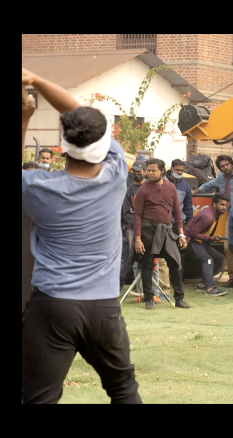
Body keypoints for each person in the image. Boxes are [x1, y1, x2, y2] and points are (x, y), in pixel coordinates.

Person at [21, 68, 141, 403]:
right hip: (103, 308)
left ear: (62, 147)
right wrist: (39, 80)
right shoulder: (117, 172)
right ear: (104, 144)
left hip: (52, 307)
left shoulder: (37, 188)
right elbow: (77, 113)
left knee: (38, 397)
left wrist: (25, 117)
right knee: (123, 390)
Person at [133, 158, 190, 310]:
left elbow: (177, 212)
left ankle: (179, 299)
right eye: (148, 170)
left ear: (162, 171)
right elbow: (137, 215)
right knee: (147, 266)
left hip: (166, 231)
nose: (149, 173)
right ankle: (149, 299)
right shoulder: (143, 189)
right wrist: (138, 239)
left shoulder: (171, 187)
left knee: (175, 265)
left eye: (153, 170)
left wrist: (181, 235)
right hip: (148, 231)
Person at [193, 154, 233, 288]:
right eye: (222, 166)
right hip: (230, 217)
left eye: (227, 164)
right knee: (228, 247)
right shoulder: (221, 178)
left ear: (231, 164)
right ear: (219, 169)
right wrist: (192, 194)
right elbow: (206, 186)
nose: (225, 167)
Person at [122, 161, 161, 300]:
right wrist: (136, 224)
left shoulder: (151, 187)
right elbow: (126, 212)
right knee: (136, 261)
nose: (138, 174)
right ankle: (139, 292)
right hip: (134, 230)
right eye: (135, 172)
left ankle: (154, 293)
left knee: (153, 261)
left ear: (145, 171)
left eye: (140, 171)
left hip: (151, 229)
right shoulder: (129, 190)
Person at [185, 193, 229, 297]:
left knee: (219, 258)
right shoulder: (208, 217)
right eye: (222, 205)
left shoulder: (214, 214)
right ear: (214, 205)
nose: (224, 208)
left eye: (225, 205)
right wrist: (210, 239)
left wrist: (210, 239)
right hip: (191, 243)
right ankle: (210, 288)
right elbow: (193, 233)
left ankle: (202, 284)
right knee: (208, 260)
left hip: (201, 243)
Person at [167, 159, 193, 279]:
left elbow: (188, 207)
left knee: (180, 252)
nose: (180, 172)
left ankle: (178, 280)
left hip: (178, 225)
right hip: (164, 222)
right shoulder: (163, 182)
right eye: (177, 170)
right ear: (171, 168)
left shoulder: (185, 186)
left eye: (182, 170)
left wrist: (189, 224)